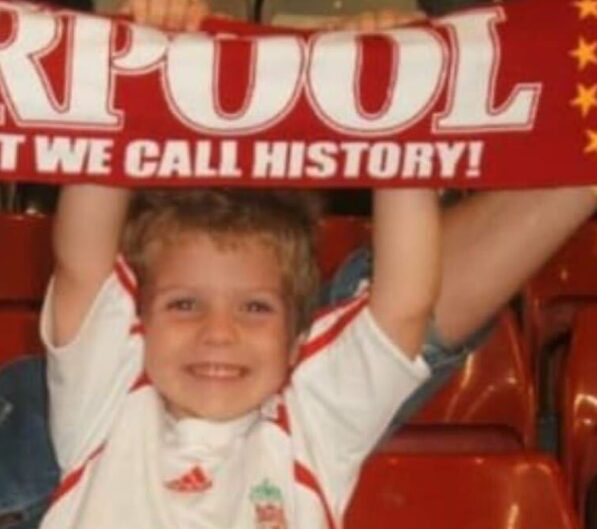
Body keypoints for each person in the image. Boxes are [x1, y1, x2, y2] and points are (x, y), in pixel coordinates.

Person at [38, 177, 439, 529]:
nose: (218, 333)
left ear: (297, 342)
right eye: (184, 304)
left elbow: (404, 307)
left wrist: (405, 141)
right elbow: (81, 263)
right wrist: (105, 111)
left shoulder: (313, 430)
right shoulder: (105, 407)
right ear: (140, 323)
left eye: (254, 308)